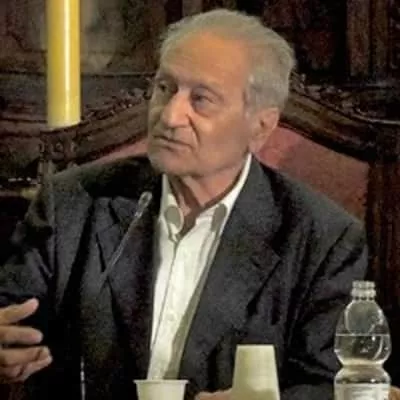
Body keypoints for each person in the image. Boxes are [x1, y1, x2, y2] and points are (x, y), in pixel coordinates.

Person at [0, 8, 367, 400]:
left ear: (260, 126)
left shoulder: (321, 239)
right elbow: (12, 321)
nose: (171, 115)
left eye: (201, 99)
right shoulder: (74, 204)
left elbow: (332, 386)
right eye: (164, 88)